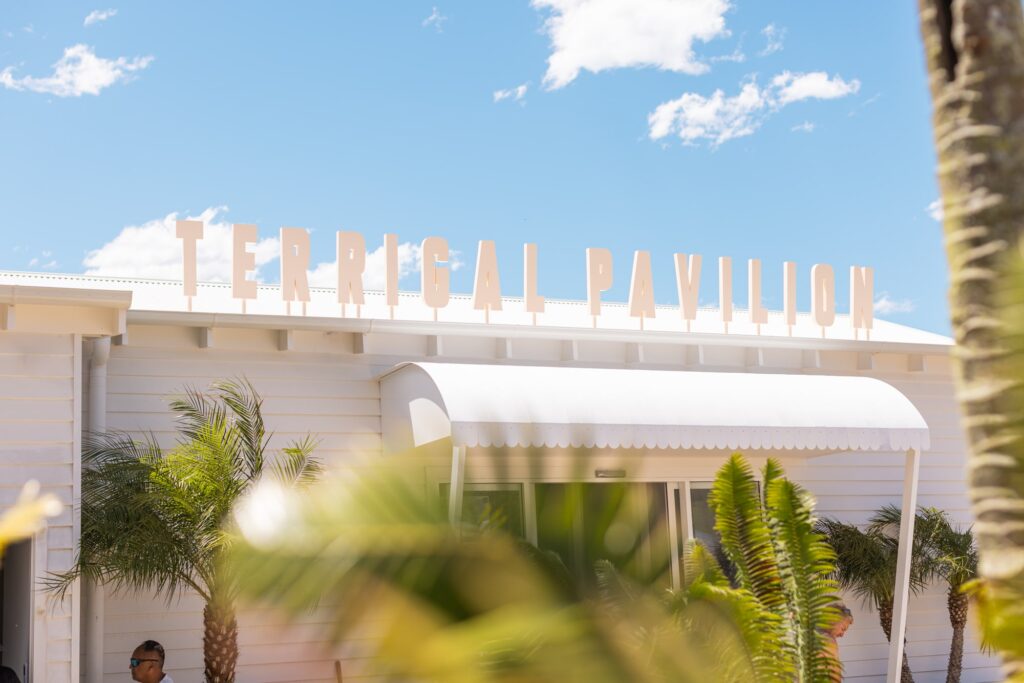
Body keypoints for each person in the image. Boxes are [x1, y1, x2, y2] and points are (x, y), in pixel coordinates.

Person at [822, 602, 854, 681]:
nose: (842, 635)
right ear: (833, 621)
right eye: (843, 629)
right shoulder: (828, 641)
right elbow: (834, 674)